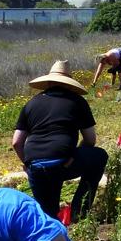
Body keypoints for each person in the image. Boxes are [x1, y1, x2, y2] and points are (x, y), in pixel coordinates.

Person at [12, 61, 108, 221]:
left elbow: (16, 142)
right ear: (69, 84)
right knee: (99, 156)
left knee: (48, 217)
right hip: (63, 162)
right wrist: (73, 154)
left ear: (48, 82)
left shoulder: (31, 104)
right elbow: (90, 140)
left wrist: (28, 165)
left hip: (36, 166)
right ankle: (79, 212)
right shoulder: (77, 102)